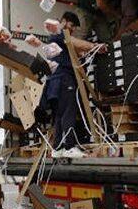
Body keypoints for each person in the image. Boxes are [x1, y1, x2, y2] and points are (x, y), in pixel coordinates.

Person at [40, 12, 106, 151]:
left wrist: (85, 52)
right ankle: (69, 147)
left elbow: (74, 50)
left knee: (59, 115)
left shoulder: (53, 38)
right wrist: (95, 46)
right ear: (63, 21)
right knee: (69, 112)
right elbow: (75, 42)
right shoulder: (60, 33)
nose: (73, 29)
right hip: (64, 80)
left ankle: (57, 149)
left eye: (74, 27)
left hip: (54, 84)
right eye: (71, 25)